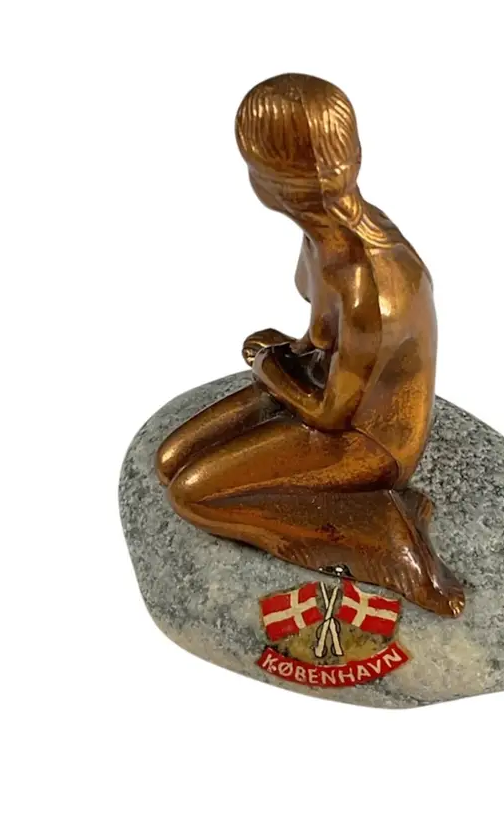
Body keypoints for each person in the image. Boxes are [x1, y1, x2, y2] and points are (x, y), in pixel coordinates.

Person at [156, 74, 463, 616]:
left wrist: (269, 369)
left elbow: (329, 414)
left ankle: (381, 530)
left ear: (269, 184)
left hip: (369, 440)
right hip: (323, 389)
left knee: (192, 494)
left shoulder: (366, 285)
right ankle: (348, 510)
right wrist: (286, 354)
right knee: (169, 461)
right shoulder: (325, 237)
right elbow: (321, 343)